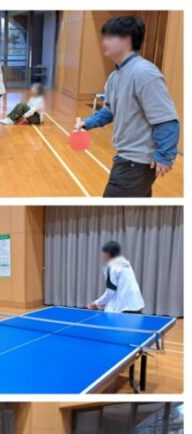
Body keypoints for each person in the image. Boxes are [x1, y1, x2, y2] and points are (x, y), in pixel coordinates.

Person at [76, 16, 179, 197]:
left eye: (110, 37)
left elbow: (166, 119)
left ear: (126, 40)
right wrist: (87, 123)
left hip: (136, 162)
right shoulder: (115, 76)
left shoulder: (145, 73)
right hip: (126, 158)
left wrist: (164, 155)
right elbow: (109, 110)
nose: (104, 42)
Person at [88, 241, 145, 313]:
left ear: (107, 254)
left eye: (103, 253)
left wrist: (96, 303)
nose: (102, 255)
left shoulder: (112, 267)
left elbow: (110, 291)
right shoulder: (126, 264)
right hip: (137, 304)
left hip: (126, 308)